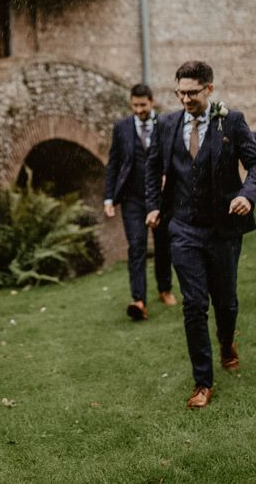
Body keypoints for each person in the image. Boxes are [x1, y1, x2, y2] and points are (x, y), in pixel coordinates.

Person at [145, 61, 256, 409]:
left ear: (209, 89)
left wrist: (246, 195)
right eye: (180, 92)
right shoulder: (166, 124)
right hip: (183, 229)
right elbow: (151, 167)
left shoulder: (232, 121)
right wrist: (153, 205)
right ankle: (202, 382)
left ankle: (226, 341)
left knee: (226, 300)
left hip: (223, 229)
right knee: (194, 304)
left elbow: (255, 164)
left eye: (192, 92)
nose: (185, 99)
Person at [104, 84, 176, 321]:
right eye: (134, 105)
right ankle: (139, 300)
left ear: (152, 101)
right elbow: (113, 163)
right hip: (132, 199)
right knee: (136, 247)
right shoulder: (121, 128)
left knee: (163, 245)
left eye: (143, 105)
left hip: (161, 198)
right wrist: (109, 198)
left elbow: (175, 157)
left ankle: (164, 289)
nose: (139, 110)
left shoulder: (165, 124)